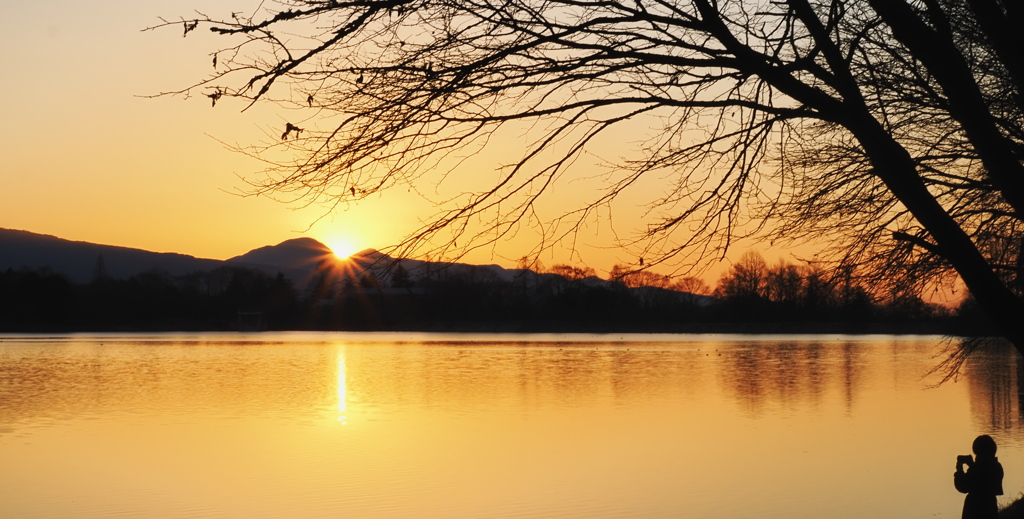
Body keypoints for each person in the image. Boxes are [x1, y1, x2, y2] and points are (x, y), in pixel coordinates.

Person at [954, 435, 1004, 519]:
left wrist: (959, 471)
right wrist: (972, 465)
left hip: (974, 507)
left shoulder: (977, 468)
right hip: (990, 505)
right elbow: (983, 477)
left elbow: (963, 487)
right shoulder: (997, 466)